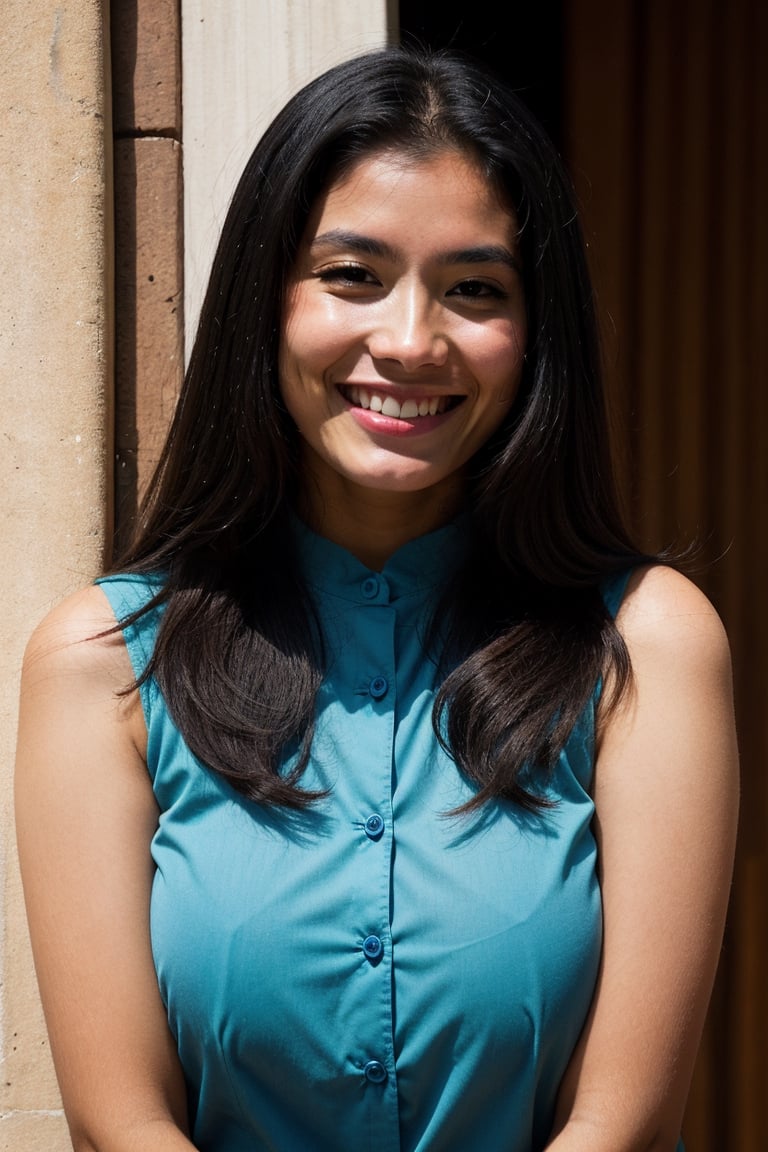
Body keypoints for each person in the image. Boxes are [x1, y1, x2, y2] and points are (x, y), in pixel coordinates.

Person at [15, 45, 738, 1152]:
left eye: (475, 289)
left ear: (538, 334)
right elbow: (122, 1127)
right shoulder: (107, 661)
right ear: (266, 302)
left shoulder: (642, 648)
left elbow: (624, 1126)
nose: (409, 341)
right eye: (352, 276)